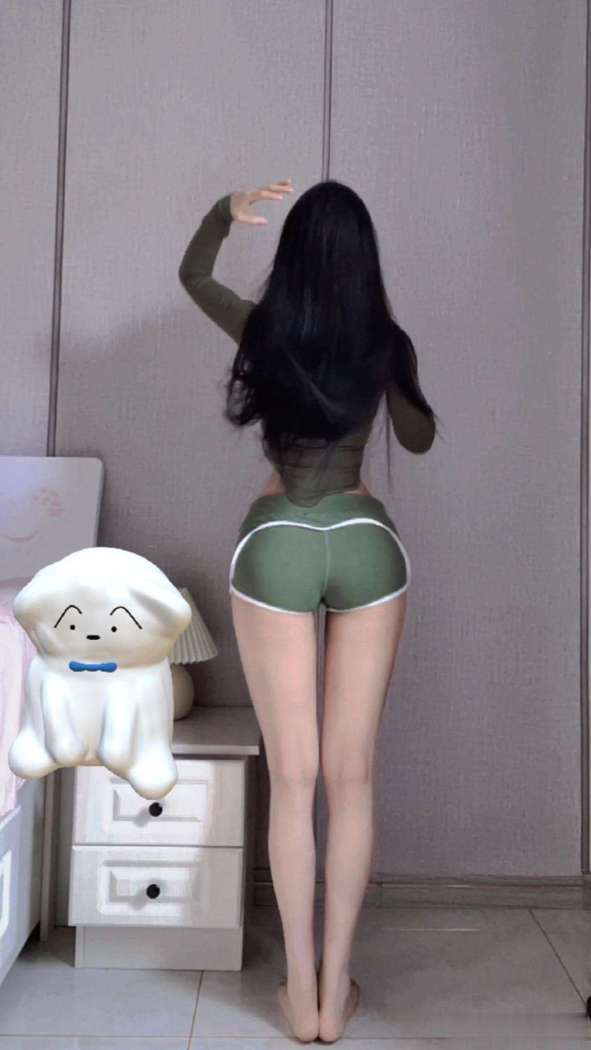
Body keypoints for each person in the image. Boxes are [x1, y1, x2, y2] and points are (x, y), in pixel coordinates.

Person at [178, 178, 439, 1043]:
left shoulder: (265, 330)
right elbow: (416, 438)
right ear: (364, 261)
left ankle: (299, 996)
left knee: (292, 779)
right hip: (365, 543)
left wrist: (222, 212)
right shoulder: (383, 340)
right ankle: (336, 989)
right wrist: (392, 368)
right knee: (350, 777)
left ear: (293, 255)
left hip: (278, 540)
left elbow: (192, 275)